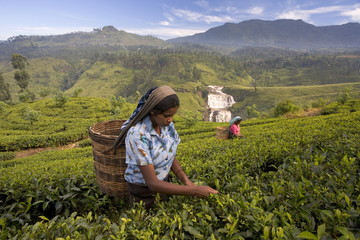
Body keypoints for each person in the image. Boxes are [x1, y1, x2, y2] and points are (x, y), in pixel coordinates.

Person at [113, 86, 218, 209]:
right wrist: (195, 191)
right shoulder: (138, 134)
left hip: (164, 184)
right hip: (143, 191)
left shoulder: (166, 125)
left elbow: (169, 154)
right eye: (167, 115)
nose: (170, 120)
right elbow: (152, 183)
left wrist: (186, 181)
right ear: (153, 111)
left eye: (173, 115)